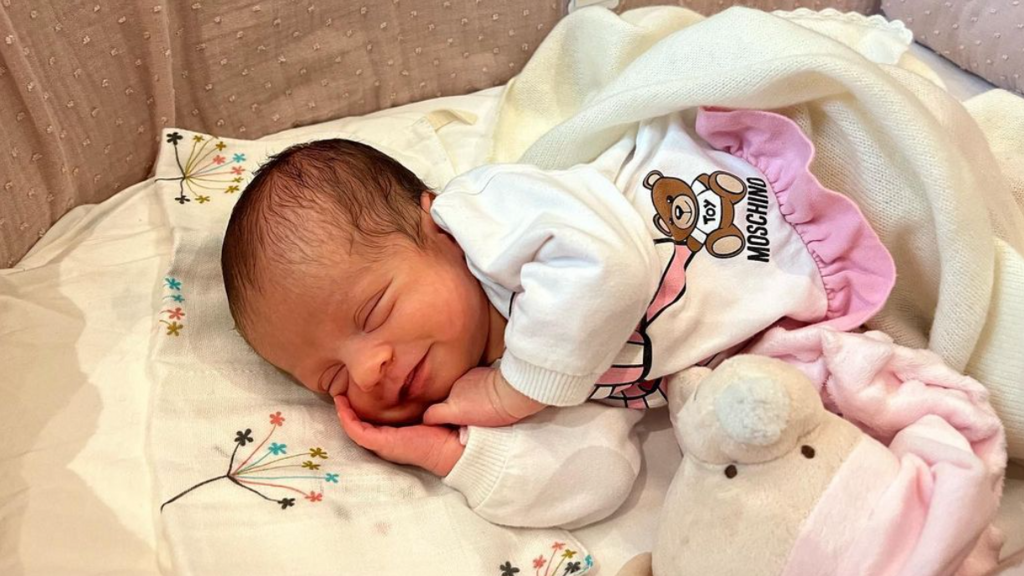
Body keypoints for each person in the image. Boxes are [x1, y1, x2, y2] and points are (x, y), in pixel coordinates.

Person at [220, 107, 895, 527]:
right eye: (333, 380)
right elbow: (599, 480)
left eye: (374, 311)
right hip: (795, 304)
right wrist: (454, 456)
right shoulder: (499, 379)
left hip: (763, 189)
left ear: (435, 223)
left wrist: (513, 391)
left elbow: (610, 265)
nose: (369, 369)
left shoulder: (491, 221)